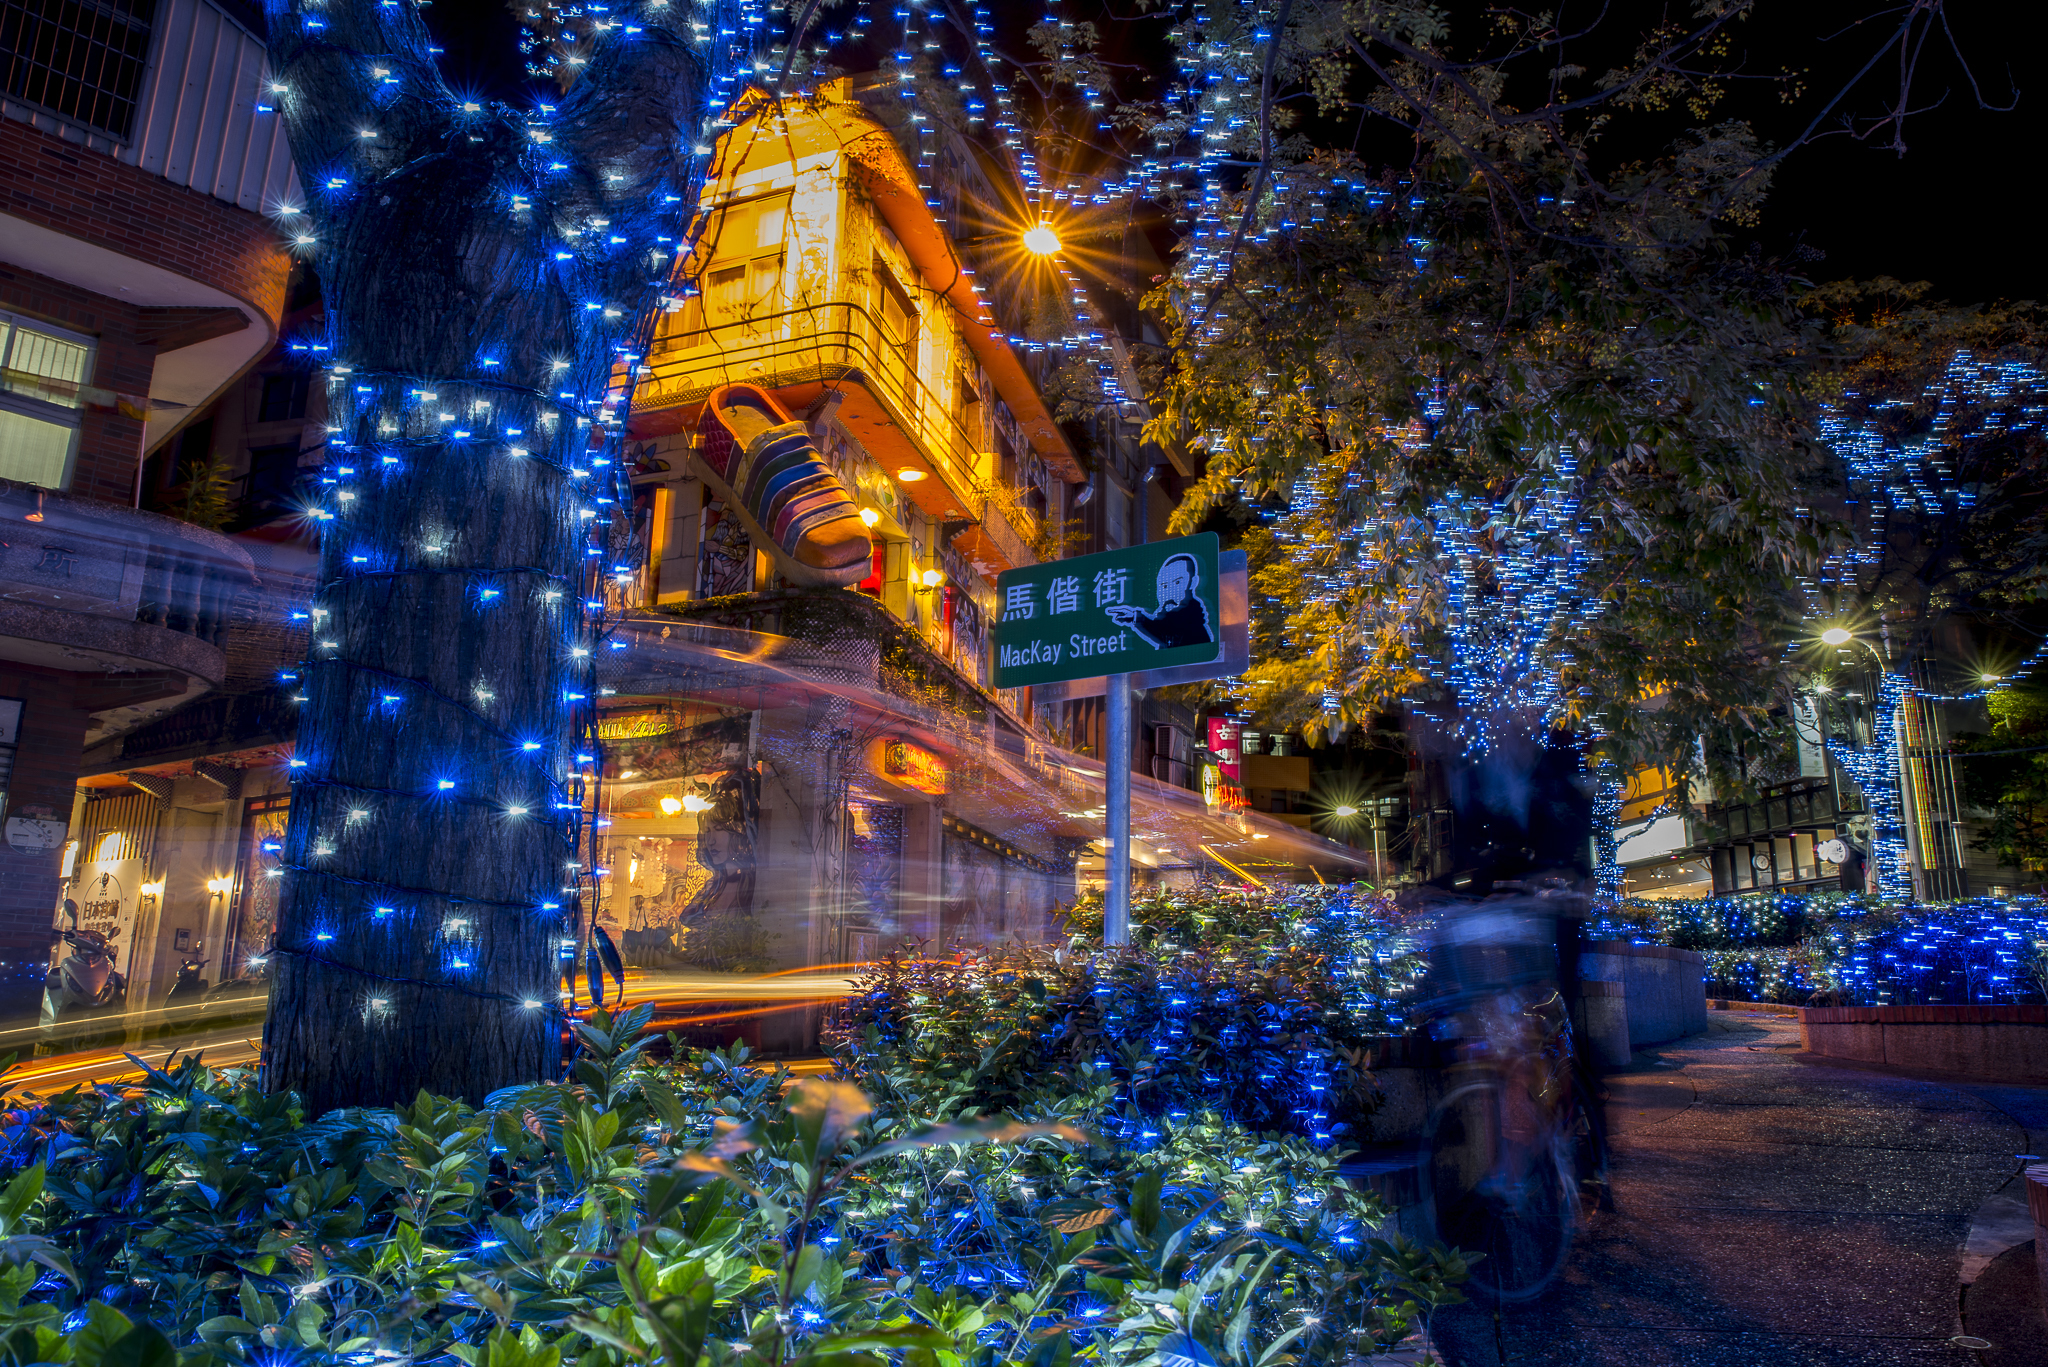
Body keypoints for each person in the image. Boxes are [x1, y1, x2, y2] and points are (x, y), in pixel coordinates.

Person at [1106, 553, 1214, 649]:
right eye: (1164, 586)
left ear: (1193, 582)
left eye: (1177, 583)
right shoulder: (1171, 627)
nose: (1170, 592)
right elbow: (1162, 629)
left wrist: (1136, 618)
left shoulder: (1193, 626)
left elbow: (1165, 628)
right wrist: (1135, 617)